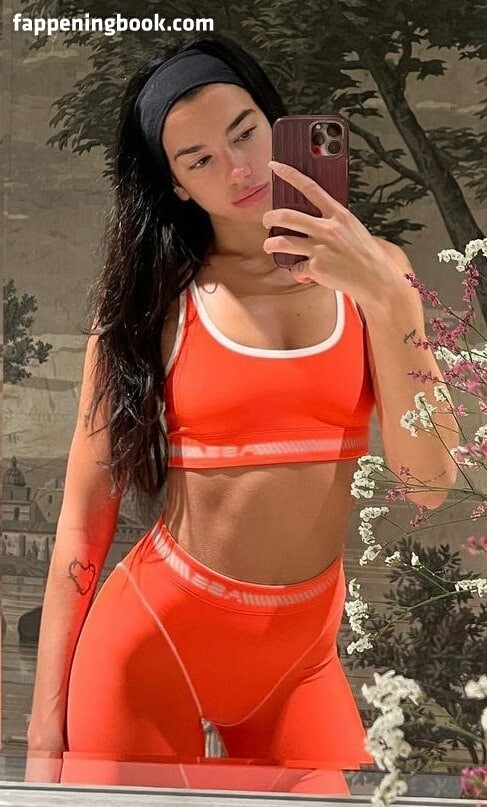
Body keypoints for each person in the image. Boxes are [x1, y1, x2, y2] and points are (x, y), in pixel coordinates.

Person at [25, 34, 459, 793]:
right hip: (149, 650)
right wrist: (42, 731)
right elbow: (83, 523)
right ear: (176, 184)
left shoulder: (380, 276)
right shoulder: (153, 307)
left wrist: (390, 300)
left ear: (275, 121)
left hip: (301, 662)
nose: (238, 169)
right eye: (199, 159)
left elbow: (429, 483)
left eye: (245, 132)